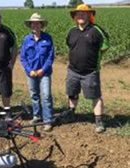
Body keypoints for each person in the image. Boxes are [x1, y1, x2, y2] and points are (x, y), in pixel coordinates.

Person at [62, 4, 110, 133]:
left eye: (84, 13)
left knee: (95, 96)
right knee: (72, 93)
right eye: (78, 13)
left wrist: (95, 57)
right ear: (75, 16)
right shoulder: (71, 31)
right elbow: (69, 45)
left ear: (89, 15)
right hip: (73, 70)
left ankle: (99, 121)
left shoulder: (96, 30)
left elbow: (105, 45)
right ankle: (71, 113)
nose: (81, 15)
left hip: (90, 71)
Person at [20, 13, 55, 131]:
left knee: (46, 96)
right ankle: (37, 116)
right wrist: (30, 71)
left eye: (37, 23)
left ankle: (48, 120)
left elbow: (50, 57)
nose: (35, 25)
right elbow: (23, 58)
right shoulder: (26, 39)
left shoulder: (48, 38)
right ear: (30, 25)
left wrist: (42, 70)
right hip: (31, 73)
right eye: (33, 23)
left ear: (41, 25)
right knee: (34, 95)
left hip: (44, 73)